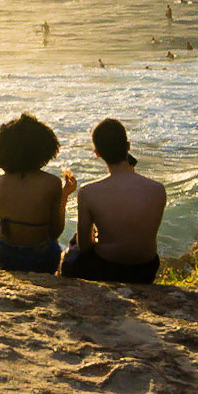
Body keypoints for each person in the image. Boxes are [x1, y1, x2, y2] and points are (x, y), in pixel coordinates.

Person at [61, 119, 167, 284]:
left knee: (73, 247)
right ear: (128, 146)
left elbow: (85, 247)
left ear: (97, 153)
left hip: (106, 269)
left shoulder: (88, 192)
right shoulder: (158, 189)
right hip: (146, 270)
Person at [0, 113, 76, 274]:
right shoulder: (52, 182)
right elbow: (55, 231)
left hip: (5, 256)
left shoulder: (0, 181)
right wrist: (64, 195)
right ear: (44, 150)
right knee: (57, 246)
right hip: (39, 258)